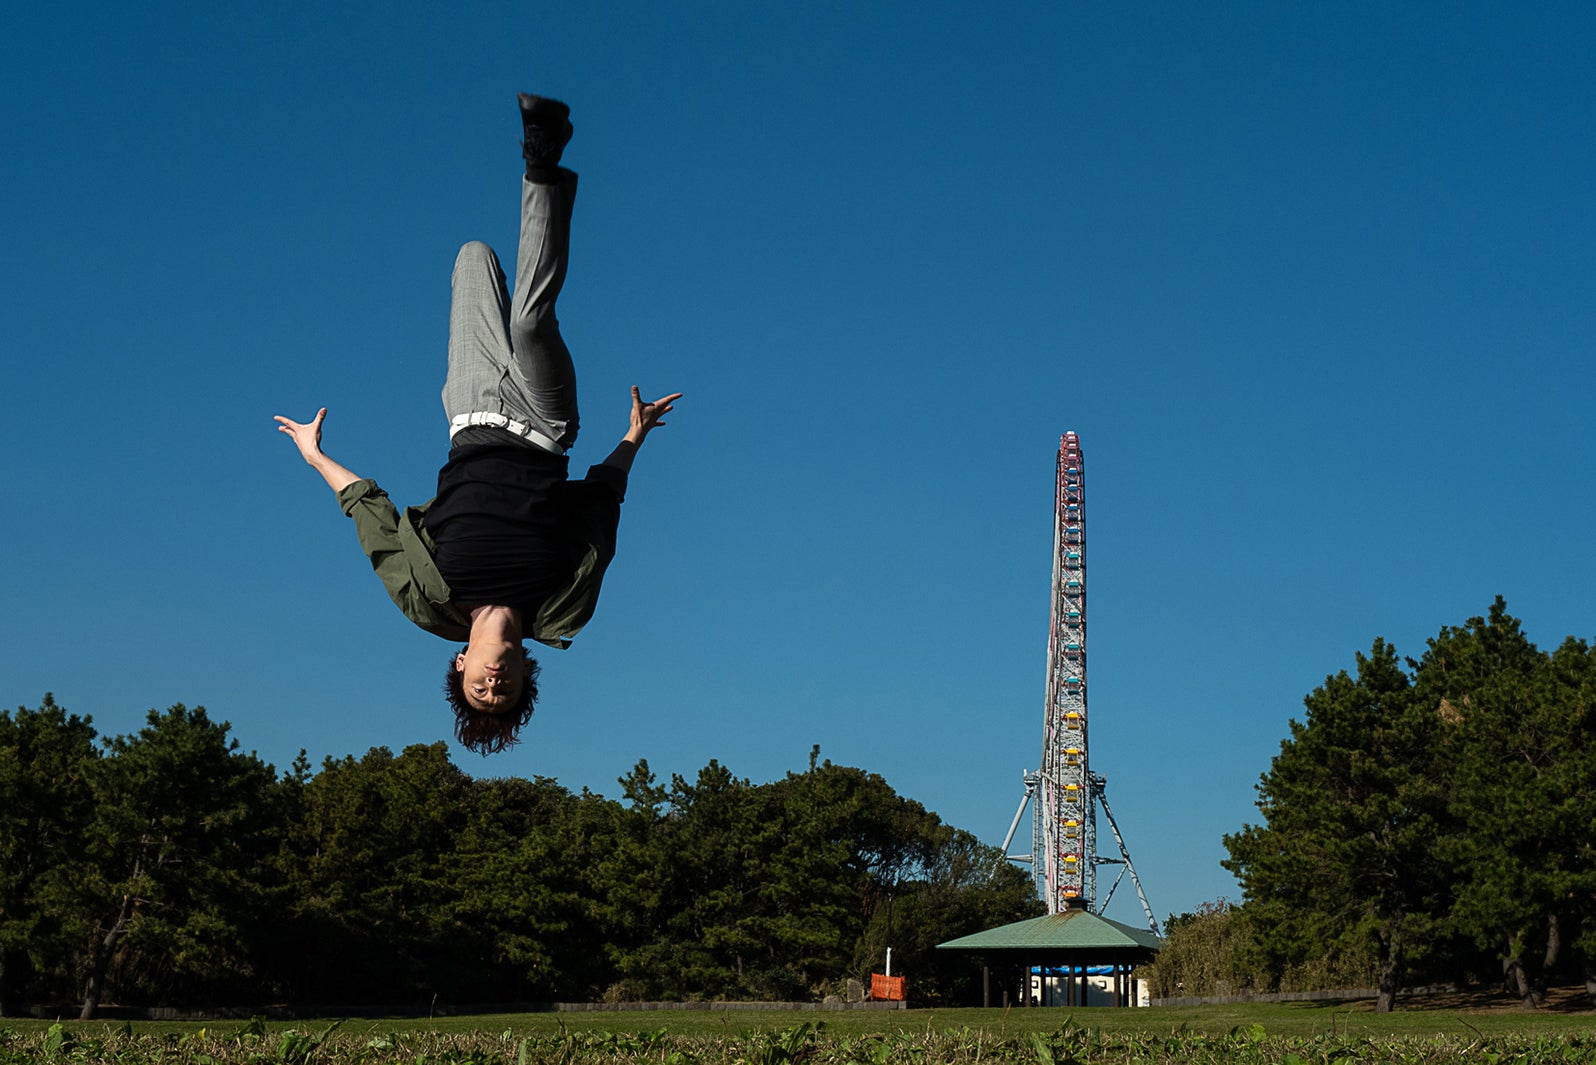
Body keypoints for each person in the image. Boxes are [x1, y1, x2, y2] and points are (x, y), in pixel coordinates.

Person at [275, 93, 682, 755]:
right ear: (526, 672)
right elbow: (602, 509)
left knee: (472, 255)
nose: (495, 681)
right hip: (544, 423)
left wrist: (317, 456)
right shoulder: (562, 606)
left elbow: (371, 516)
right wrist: (632, 437)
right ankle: (542, 159)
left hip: (467, 410)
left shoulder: (426, 600)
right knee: (529, 321)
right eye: (506, 689)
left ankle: (540, 180)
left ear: (461, 666)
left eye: (481, 689)